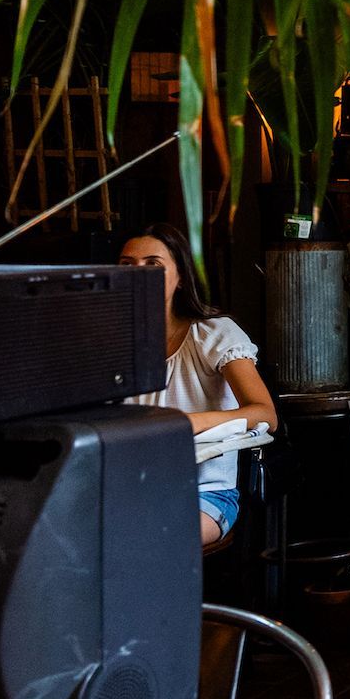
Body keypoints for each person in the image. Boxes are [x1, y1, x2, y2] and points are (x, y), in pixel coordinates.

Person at [120, 223, 277, 546]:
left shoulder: (213, 333)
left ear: (180, 276)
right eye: (127, 266)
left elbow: (266, 415)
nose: (139, 274)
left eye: (153, 264)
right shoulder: (114, 342)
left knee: (141, 541)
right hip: (130, 488)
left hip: (205, 494)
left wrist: (186, 423)